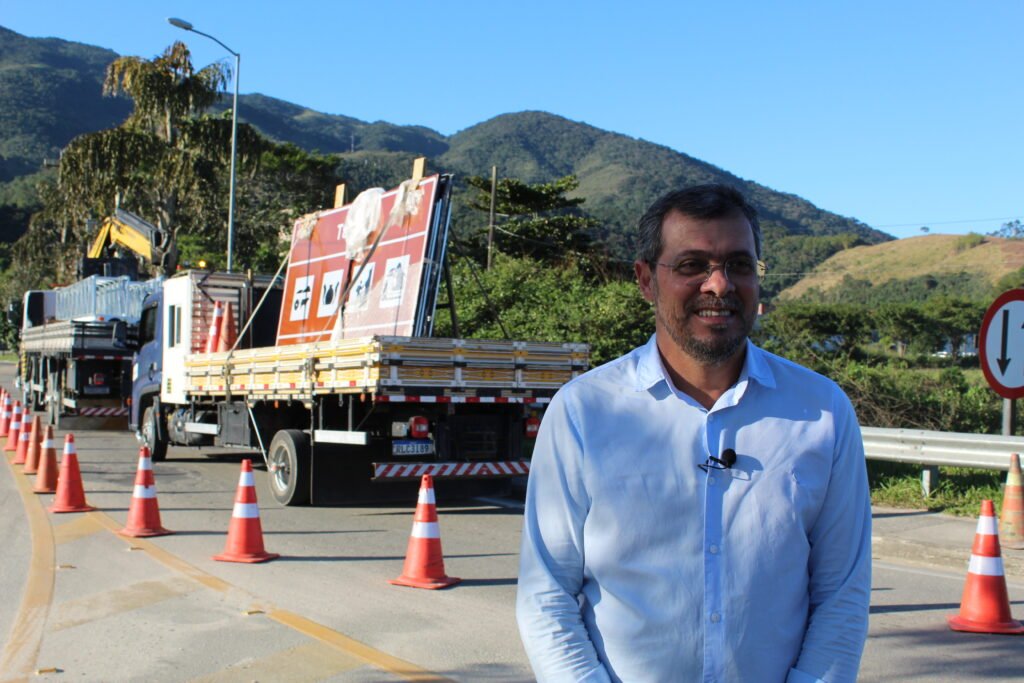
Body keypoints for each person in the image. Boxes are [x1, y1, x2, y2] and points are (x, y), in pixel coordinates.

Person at [516, 184, 871, 682]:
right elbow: (546, 592)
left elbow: (841, 594)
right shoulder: (584, 412)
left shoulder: (822, 412)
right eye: (692, 265)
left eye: (739, 265)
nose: (719, 285)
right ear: (646, 280)